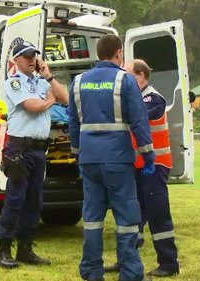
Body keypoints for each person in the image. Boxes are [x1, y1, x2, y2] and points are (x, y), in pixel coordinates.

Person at [68, 35, 155, 281]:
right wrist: (148, 155)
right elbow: (139, 121)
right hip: (117, 159)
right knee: (127, 218)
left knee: (93, 218)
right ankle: (130, 273)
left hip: (89, 160)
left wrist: (77, 154)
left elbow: (73, 123)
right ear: (118, 53)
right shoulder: (125, 80)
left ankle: (92, 272)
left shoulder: (78, 82)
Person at [0, 39, 68, 269]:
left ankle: (25, 249)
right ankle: (3, 250)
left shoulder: (41, 81)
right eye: (26, 57)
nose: (31, 60)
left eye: (33, 56)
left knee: (34, 201)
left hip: (38, 149)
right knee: (15, 200)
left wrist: (49, 77)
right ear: (16, 61)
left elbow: (65, 99)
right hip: (19, 148)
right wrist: (48, 102)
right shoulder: (14, 83)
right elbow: (31, 106)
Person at [103, 59, 179, 277]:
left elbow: (137, 118)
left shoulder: (153, 99)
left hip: (154, 167)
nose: (123, 82)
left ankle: (168, 263)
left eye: (127, 76)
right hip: (136, 167)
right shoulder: (134, 99)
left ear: (141, 76)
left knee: (158, 215)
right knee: (129, 216)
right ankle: (126, 260)